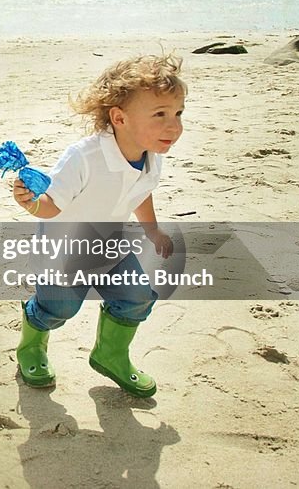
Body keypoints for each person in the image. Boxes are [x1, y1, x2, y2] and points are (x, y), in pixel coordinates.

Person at [12, 53, 186, 397]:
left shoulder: (152, 156)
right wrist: (30, 201)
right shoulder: (84, 157)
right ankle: (31, 346)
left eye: (178, 113)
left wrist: (152, 230)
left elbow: (140, 192)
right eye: (160, 115)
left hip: (110, 246)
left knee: (138, 297)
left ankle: (110, 354)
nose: (174, 126)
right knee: (59, 309)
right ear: (119, 118)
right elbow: (51, 206)